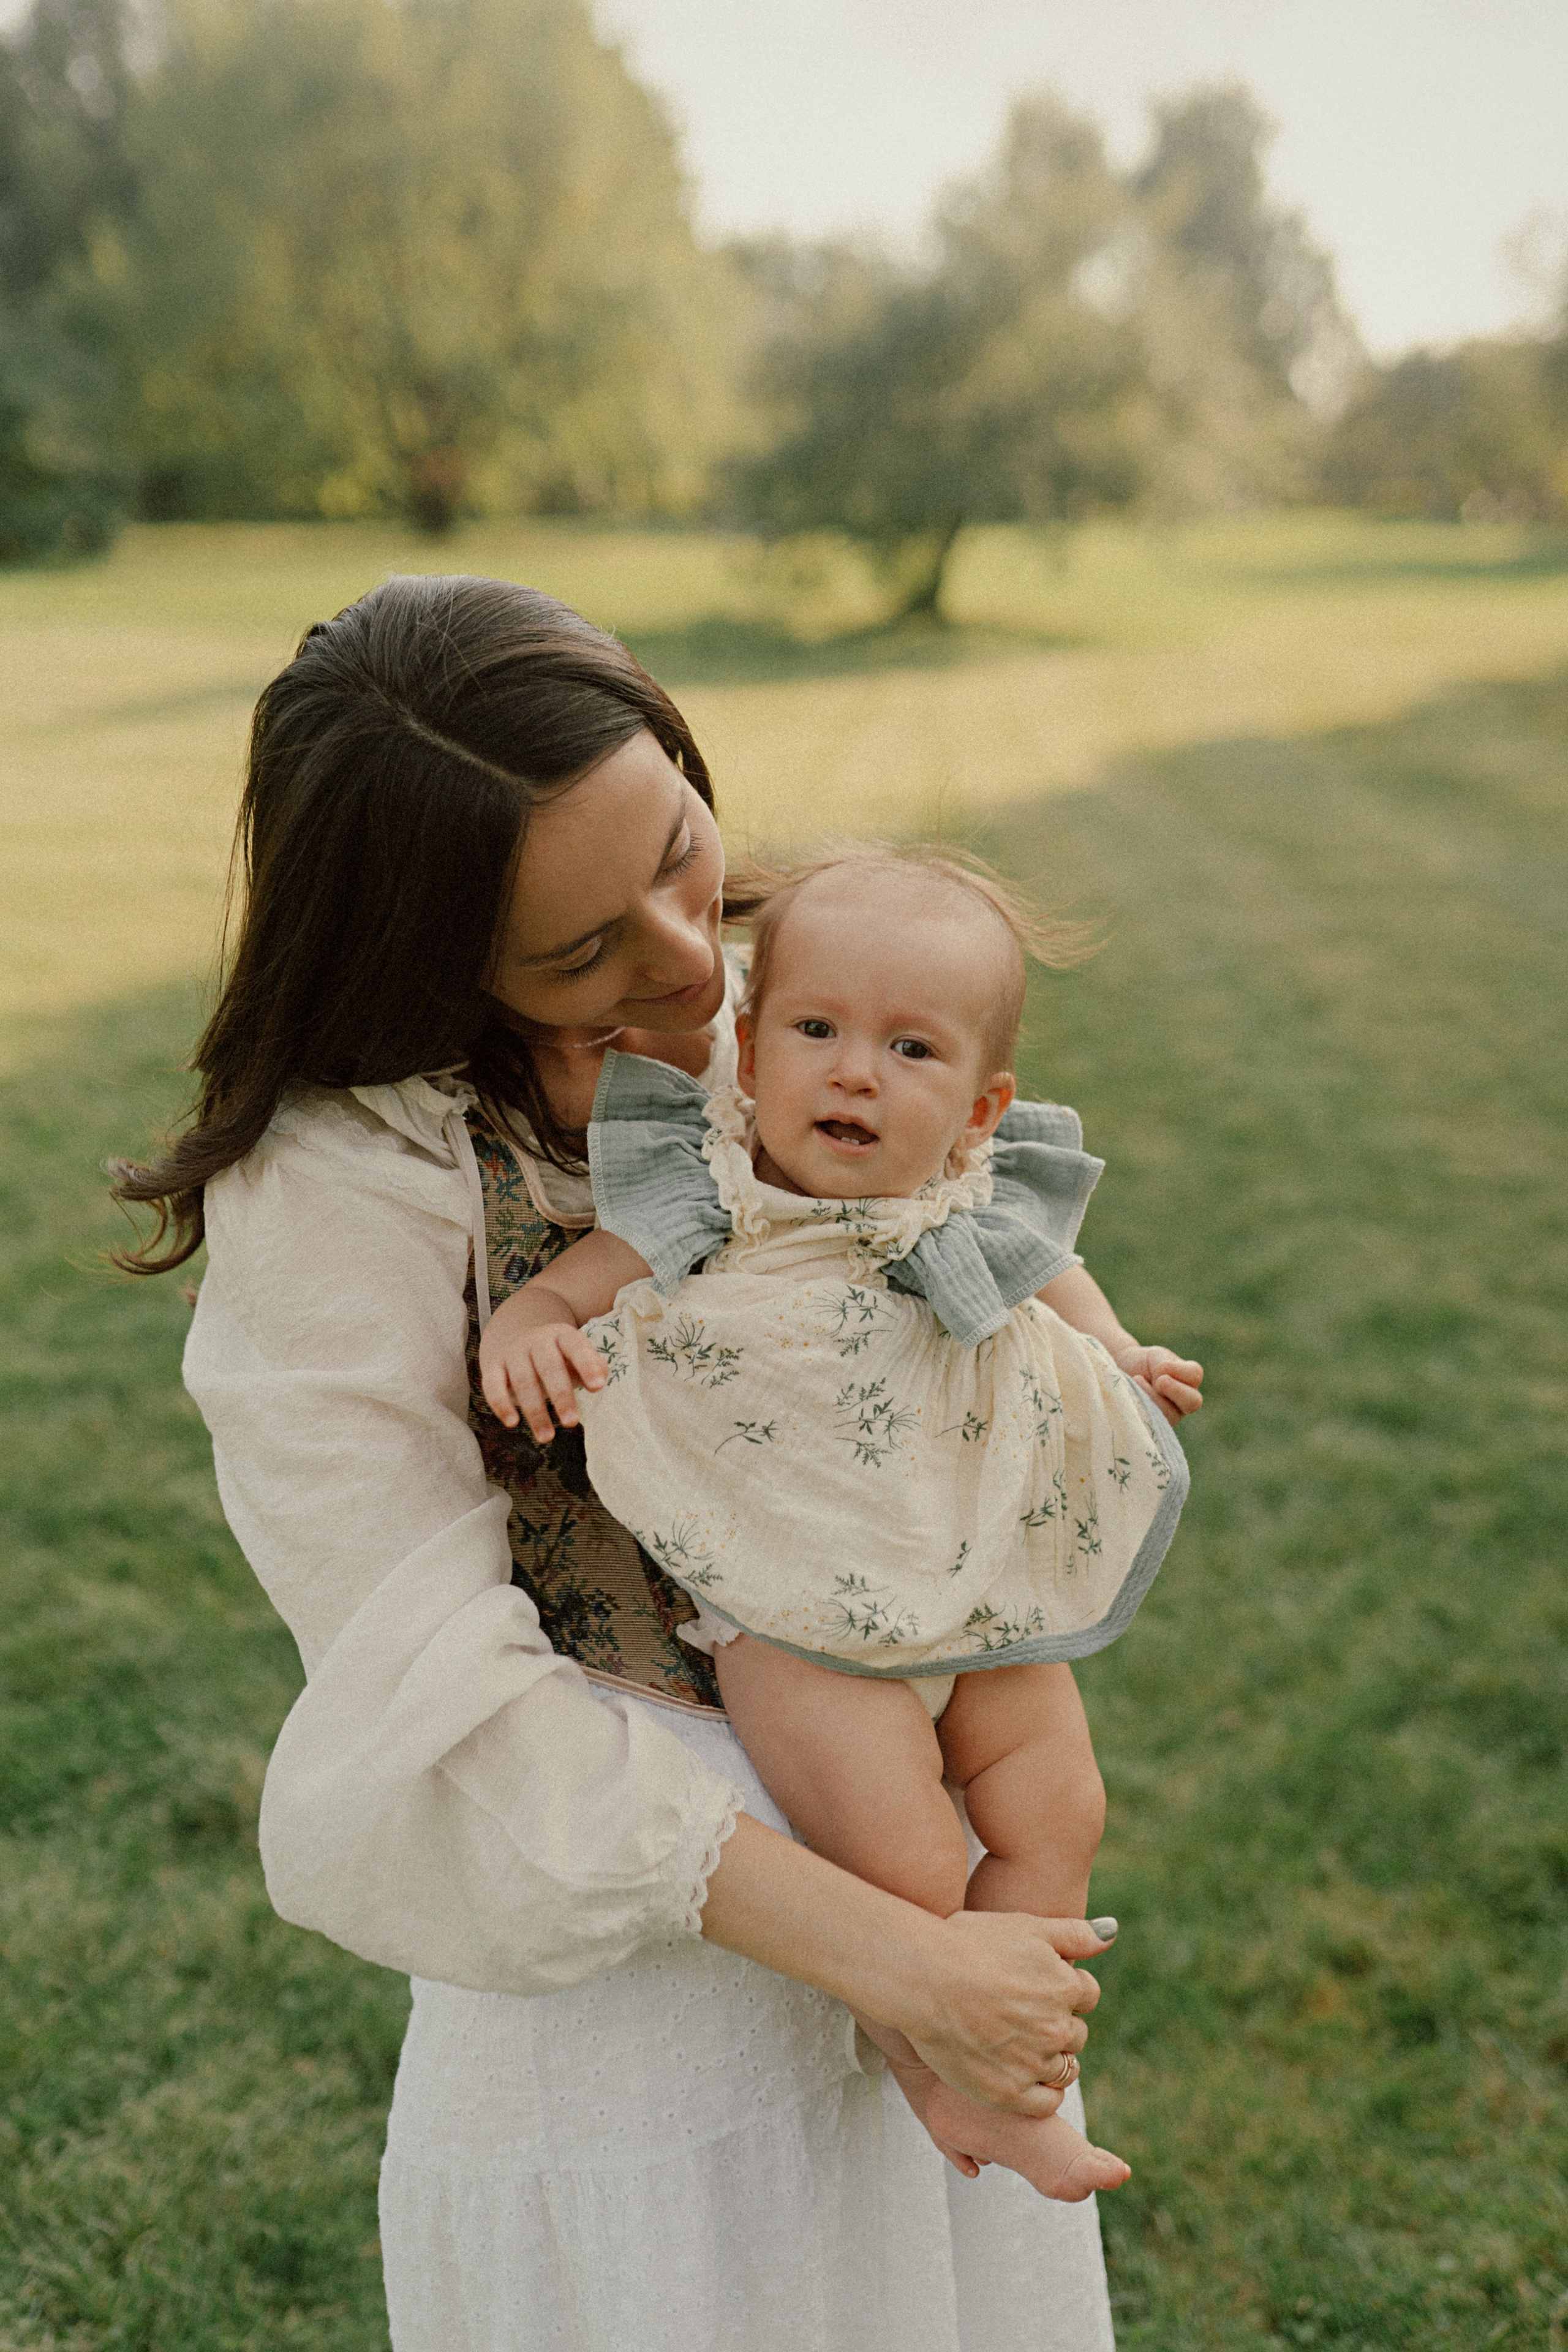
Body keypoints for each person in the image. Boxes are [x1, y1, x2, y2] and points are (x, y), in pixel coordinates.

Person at [111, 573, 1137, 2352]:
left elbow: (959, 1248)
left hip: (927, 1914)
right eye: (580, 954)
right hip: (640, 2002)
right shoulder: (342, 1190)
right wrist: (913, 1968)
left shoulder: (806, 998)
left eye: (681, 850)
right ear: (427, 967)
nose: (690, 963)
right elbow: (452, 1700)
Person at [477, 847, 1201, 2202]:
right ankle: (952, 2065)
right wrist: (528, 1329)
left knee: (1058, 1805)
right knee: (914, 1860)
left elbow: (1059, 1284)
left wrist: (1121, 1350)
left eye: (909, 1049)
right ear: (747, 1051)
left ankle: (1010, 2055)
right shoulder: (707, 1195)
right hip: (792, 1603)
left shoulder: (969, 1203)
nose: (854, 1072)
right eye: (816, 1031)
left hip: (969, 1569)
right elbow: (568, 1290)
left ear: (981, 1108)